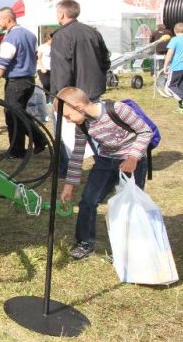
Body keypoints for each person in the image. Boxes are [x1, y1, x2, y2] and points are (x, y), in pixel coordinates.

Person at [55, 86, 152, 260]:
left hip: (132, 162)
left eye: (68, 116)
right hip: (105, 161)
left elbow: (145, 132)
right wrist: (68, 186)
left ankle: (127, 250)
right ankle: (85, 243)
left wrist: (133, 157)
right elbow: (77, 155)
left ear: (78, 107)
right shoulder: (82, 125)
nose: (68, 121)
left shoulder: (117, 110)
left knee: (128, 205)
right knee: (88, 201)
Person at [0, 7, 47, 158]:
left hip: (16, 82)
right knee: (16, 115)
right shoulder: (30, 35)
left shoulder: (11, 38)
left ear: (8, 19)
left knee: (14, 115)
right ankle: (17, 150)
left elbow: (2, 64)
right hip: (28, 80)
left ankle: (39, 139)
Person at [49, 0, 110, 100]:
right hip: (93, 92)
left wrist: (60, 96)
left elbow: (61, 72)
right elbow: (106, 61)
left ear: (62, 14)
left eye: (57, 13)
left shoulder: (61, 36)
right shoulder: (93, 32)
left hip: (73, 97)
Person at [163, 21, 183, 112]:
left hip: (176, 67)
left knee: (169, 86)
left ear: (174, 31)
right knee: (181, 87)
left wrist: (165, 66)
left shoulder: (175, 40)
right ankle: (182, 108)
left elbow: (169, 54)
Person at [37, 34, 52, 99]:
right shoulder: (42, 47)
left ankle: (50, 99)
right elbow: (38, 58)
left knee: (52, 84)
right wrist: (42, 67)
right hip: (43, 69)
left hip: (52, 69)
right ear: (48, 39)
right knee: (46, 83)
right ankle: (47, 98)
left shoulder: (54, 47)